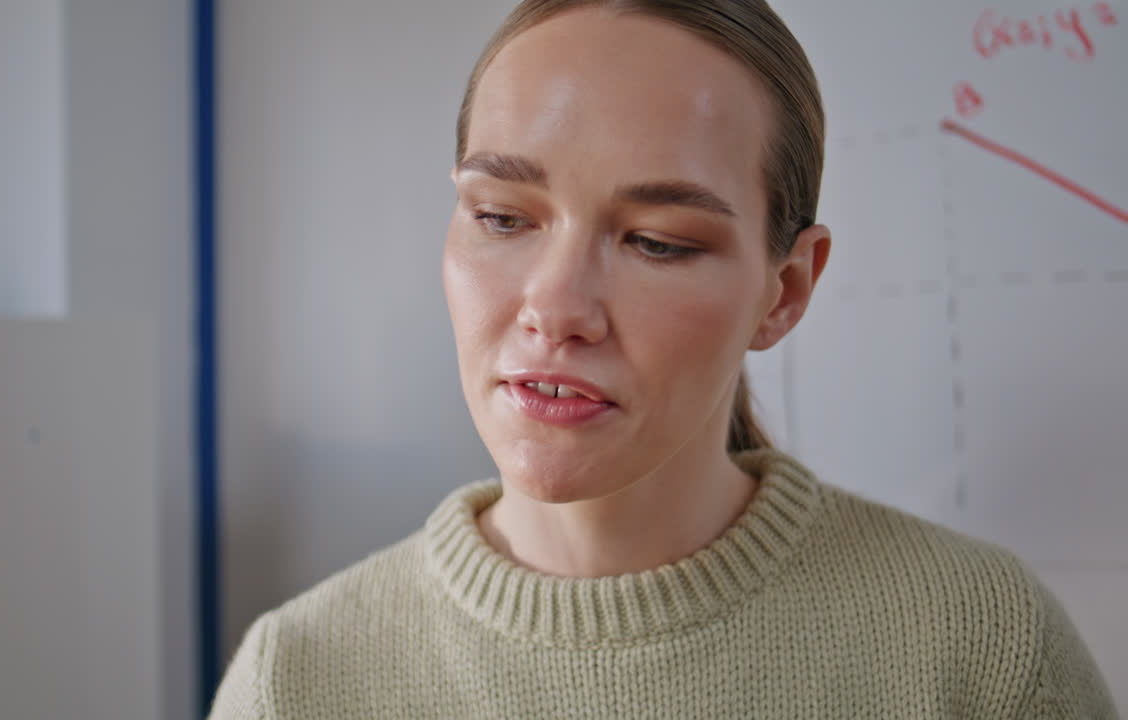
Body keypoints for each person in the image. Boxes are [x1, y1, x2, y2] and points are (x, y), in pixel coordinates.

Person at [209, 0, 1118, 717]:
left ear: (786, 289)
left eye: (657, 241)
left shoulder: (981, 645)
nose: (556, 311)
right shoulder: (299, 678)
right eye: (502, 217)